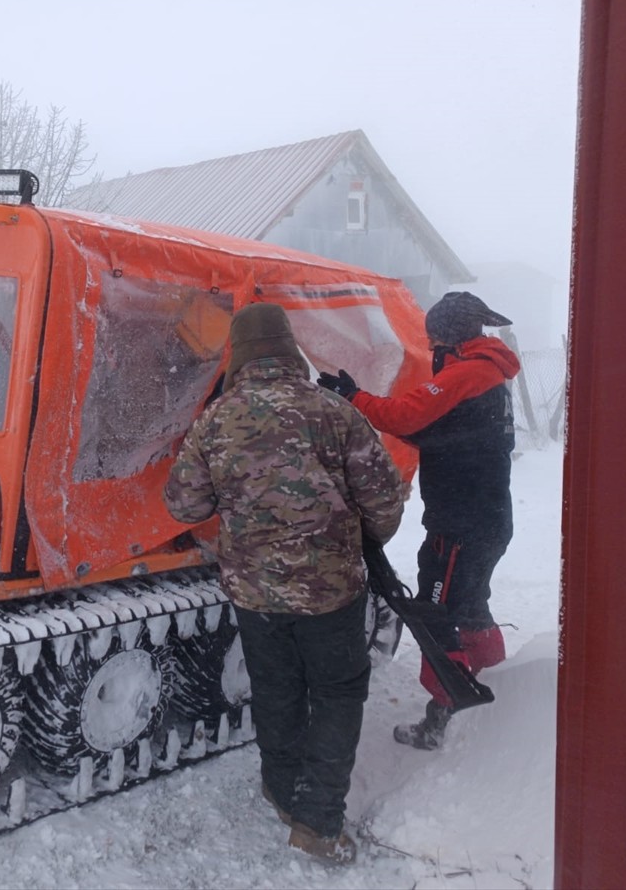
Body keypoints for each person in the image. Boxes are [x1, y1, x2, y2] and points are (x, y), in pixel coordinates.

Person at [164, 303, 405, 864]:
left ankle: (280, 787)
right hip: (331, 593)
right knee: (338, 693)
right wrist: (352, 540)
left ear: (241, 354)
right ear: (290, 349)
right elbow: (385, 500)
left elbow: (182, 504)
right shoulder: (334, 413)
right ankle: (319, 823)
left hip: (255, 595)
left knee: (276, 689)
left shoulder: (217, 419)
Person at [318, 290, 521, 750]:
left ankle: (441, 719)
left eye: (433, 345)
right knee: (471, 606)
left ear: (449, 338)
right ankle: (497, 689)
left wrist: (352, 396)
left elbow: (406, 416)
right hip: (487, 518)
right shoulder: (490, 374)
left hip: (460, 525)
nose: (432, 354)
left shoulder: (466, 374)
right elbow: (435, 430)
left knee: (435, 614)